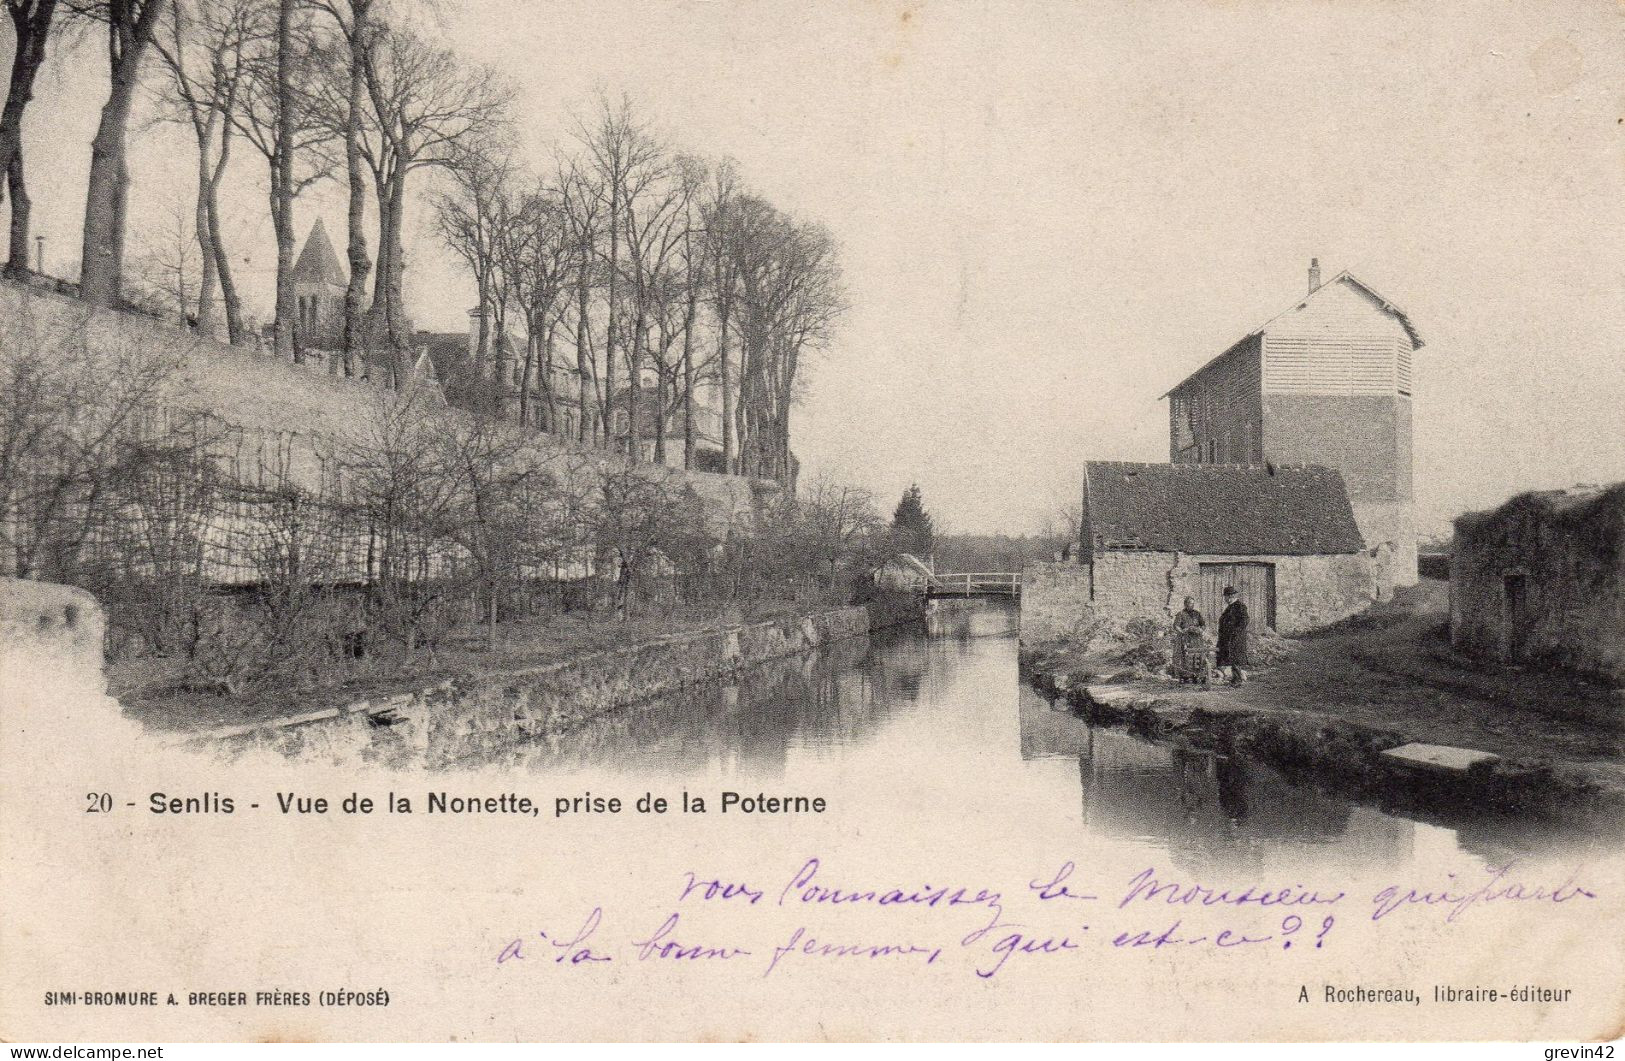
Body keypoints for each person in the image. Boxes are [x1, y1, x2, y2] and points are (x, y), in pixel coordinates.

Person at [1217, 586, 1250, 685]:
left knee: (1235, 658)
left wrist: (1235, 632)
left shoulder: (1239, 606)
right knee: (1230, 657)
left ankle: (1237, 680)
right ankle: (1235, 678)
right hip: (1228, 638)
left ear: (1230, 596)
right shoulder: (1230, 607)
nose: (1225, 599)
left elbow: (1245, 620)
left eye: (1226, 597)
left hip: (1236, 638)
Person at [1171, 596, 1208, 683]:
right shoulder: (1181, 614)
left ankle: (1198, 674)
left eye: (1192, 603)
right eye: (1189, 603)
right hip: (1186, 639)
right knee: (1186, 656)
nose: (1191, 605)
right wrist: (1183, 631)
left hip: (1197, 639)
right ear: (1185, 604)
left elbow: (1203, 625)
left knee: (1198, 655)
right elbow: (1176, 626)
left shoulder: (1197, 614)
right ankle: (1186, 676)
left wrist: (1201, 629)